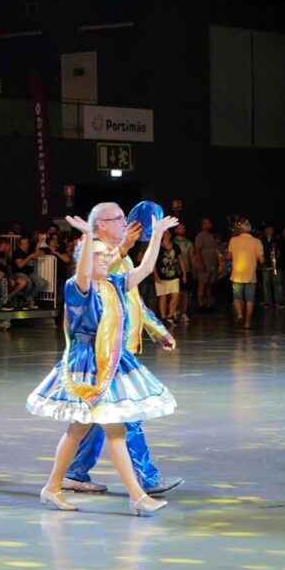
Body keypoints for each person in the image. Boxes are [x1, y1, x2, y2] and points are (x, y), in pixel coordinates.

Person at [28, 212, 179, 516]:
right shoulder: (77, 287)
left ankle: (53, 487)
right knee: (112, 430)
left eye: (103, 256)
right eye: (95, 256)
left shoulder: (113, 284)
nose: (102, 259)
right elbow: (84, 275)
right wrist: (86, 236)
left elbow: (147, 268)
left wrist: (159, 233)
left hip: (108, 361)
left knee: (82, 430)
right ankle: (136, 496)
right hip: (89, 367)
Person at [62, 202, 183, 498]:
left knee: (95, 420)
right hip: (100, 351)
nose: (125, 222)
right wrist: (125, 247)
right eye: (118, 218)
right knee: (128, 415)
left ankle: (73, 473)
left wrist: (158, 330)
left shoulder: (123, 258)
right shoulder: (94, 250)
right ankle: (146, 479)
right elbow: (94, 276)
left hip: (119, 347)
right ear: (101, 224)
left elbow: (132, 295)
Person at [227, 219, 265, 329]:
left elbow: (229, 256)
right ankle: (247, 322)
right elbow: (261, 259)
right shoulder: (257, 242)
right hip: (250, 275)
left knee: (237, 297)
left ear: (241, 229)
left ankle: (239, 314)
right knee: (250, 299)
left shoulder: (233, 240)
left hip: (237, 274)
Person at [153, 229, 186, 325]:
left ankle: (170, 315)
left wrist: (184, 273)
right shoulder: (157, 247)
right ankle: (163, 317)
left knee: (176, 295)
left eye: (167, 233)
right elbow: (153, 263)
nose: (166, 234)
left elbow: (180, 260)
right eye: (164, 232)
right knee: (163, 297)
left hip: (174, 275)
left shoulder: (175, 247)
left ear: (170, 235)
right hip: (161, 275)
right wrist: (156, 275)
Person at [193, 217, 219, 311]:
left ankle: (208, 304)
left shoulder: (211, 236)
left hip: (212, 264)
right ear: (204, 224)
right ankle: (200, 304)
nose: (210, 225)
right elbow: (197, 250)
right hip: (204, 264)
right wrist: (200, 263)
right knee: (202, 284)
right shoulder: (200, 236)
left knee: (209, 285)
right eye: (208, 223)